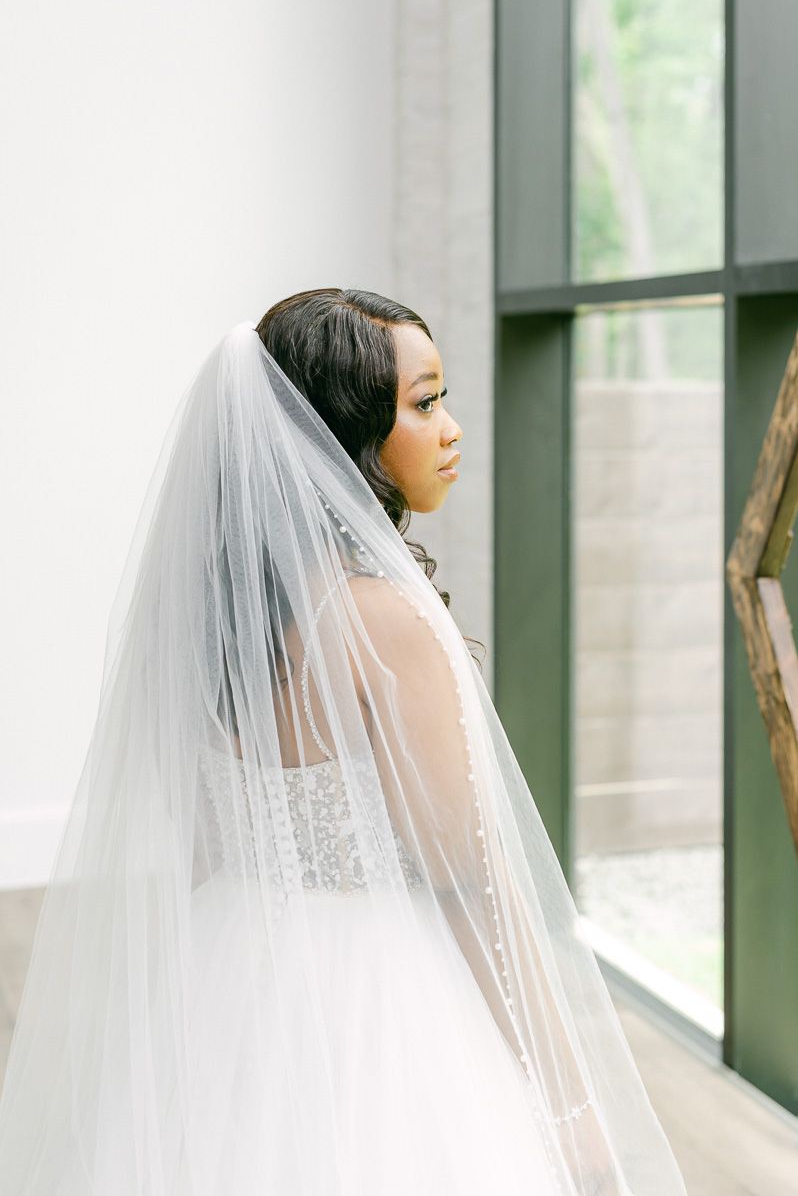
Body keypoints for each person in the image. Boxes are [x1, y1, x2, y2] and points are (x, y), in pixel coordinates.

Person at [0, 290, 688, 1194]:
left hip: (228, 974)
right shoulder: (385, 622)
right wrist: (568, 1101)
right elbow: (469, 882)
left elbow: (209, 841)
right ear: (345, 434)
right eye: (425, 401)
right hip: (379, 998)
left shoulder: (210, 614)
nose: (450, 429)